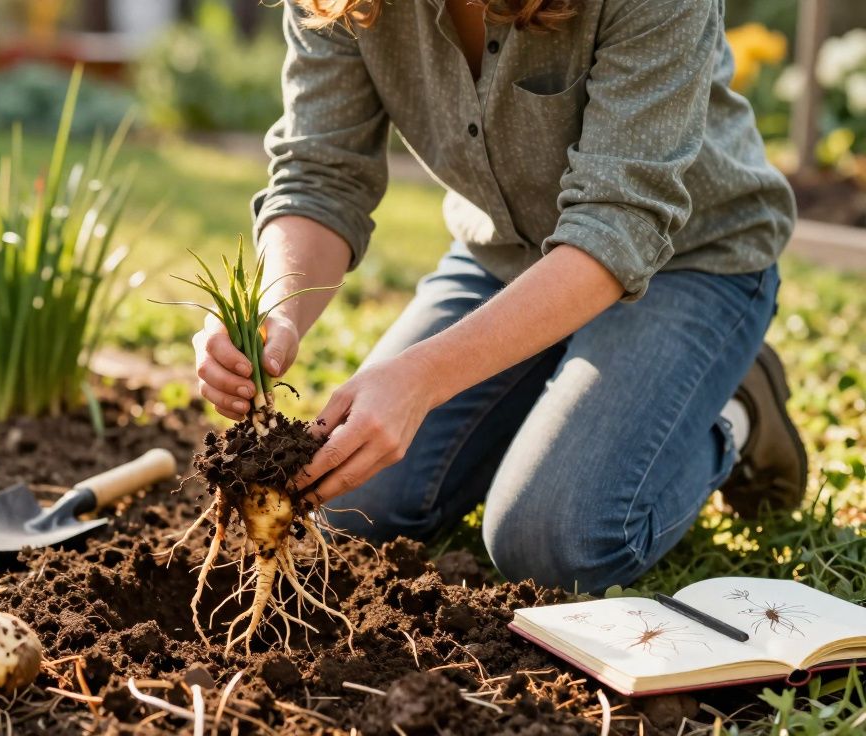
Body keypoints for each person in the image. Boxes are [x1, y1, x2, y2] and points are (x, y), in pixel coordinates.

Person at [192, 0, 808, 593]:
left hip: (690, 260)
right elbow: (321, 175)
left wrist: (426, 377)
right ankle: (558, 392)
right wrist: (277, 311)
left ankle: (736, 414)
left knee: (553, 543)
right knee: (354, 501)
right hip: (507, 260)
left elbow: (618, 224)